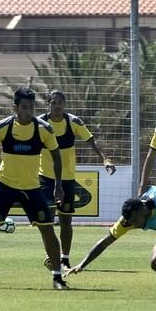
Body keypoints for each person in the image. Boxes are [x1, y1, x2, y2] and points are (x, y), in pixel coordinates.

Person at [0, 87, 68, 290]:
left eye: (31, 107)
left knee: (48, 230)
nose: (28, 111)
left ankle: (58, 277)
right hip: (5, 186)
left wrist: (58, 185)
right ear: (15, 107)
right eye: (24, 107)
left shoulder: (43, 129)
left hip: (33, 188)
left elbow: (56, 155)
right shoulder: (2, 127)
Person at [40, 90, 116, 270]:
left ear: (64, 105)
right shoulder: (41, 123)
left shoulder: (73, 122)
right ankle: (51, 255)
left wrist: (104, 159)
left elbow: (91, 140)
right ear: (48, 104)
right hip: (45, 177)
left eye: (60, 103)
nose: (57, 106)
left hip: (67, 178)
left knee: (66, 220)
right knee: (48, 219)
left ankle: (64, 258)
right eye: (54, 103)